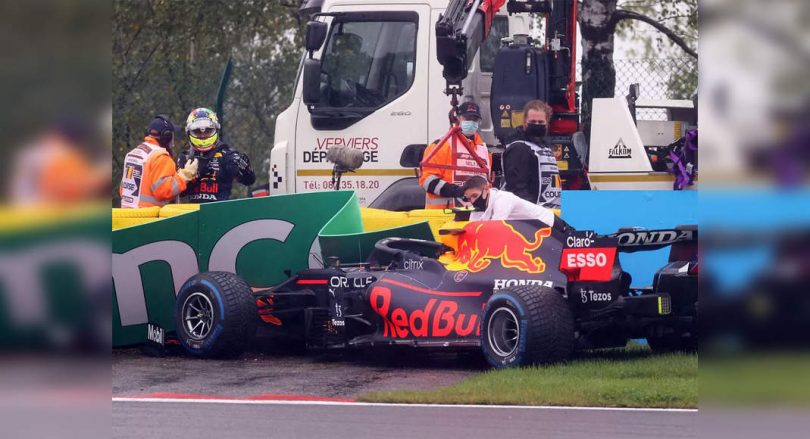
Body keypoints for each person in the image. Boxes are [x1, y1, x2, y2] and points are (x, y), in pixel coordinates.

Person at [419, 100, 491, 209]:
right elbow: (427, 181)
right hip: (442, 215)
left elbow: (487, 184)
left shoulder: (484, 150)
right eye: (467, 118)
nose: (471, 122)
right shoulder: (440, 146)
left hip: (475, 214)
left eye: (475, 119)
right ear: (458, 119)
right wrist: (455, 191)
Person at [176, 108, 255, 203]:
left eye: (208, 131)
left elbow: (249, 181)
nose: (203, 136)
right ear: (189, 132)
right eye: (197, 132)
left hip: (219, 209)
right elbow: (179, 193)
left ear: (216, 130)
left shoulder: (226, 155)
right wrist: (191, 176)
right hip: (193, 210)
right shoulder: (186, 157)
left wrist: (246, 172)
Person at [119, 115, 198, 208]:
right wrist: (184, 176)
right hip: (148, 214)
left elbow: (123, 190)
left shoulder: (133, 154)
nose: (173, 141)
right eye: (172, 136)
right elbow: (164, 191)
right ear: (167, 137)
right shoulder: (161, 157)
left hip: (126, 213)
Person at [501, 99, 561, 209]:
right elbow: (518, 189)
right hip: (532, 214)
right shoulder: (519, 148)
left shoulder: (545, 147)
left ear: (547, 123)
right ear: (525, 122)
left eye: (540, 122)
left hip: (550, 211)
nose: (537, 125)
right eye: (533, 121)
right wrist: (532, 213)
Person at [462, 176, 573, 234]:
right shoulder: (486, 202)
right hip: (535, 229)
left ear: (486, 189)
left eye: (475, 196)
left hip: (551, 224)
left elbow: (495, 229)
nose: (472, 201)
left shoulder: (502, 199)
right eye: (469, 198)